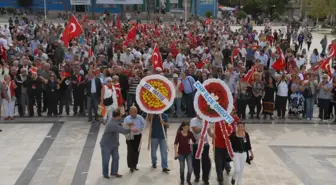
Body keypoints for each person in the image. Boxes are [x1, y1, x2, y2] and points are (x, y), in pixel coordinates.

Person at [99, 109, 139, 179]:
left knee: (116, 158)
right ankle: (105, 174)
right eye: (120, 115)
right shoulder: (112, 124)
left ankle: (114, 172)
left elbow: (120, 124)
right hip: (106, 145)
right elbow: (123, 131)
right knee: (106, 160)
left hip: (114, 144)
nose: (121, 116)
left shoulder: (113, 120)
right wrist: (131, 129)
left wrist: (129, 125)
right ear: (117, 116)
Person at [190, 115, 212, 185]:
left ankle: (205, 178)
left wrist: (213, 135)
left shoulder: (206, 120)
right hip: (196, 144)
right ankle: (197, 176)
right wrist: (204, 125)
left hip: (205, 144)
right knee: (196, 161)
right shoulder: (193, 120)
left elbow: (209, 132)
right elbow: (196, 131)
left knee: (206, 162)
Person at [123, 106, 145, 172]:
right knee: (130, 151)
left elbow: (143, 125)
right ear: (129, 112)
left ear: (136, 111)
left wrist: (138, 129)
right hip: (130, 135)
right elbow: (124, 126)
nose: (133, 113)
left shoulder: (140, 118)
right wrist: (131, 128)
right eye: (132, 112)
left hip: (138, 135)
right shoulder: (127, 118)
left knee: (137, 150)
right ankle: (131, 166)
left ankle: (135, 165)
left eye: (134, 112)